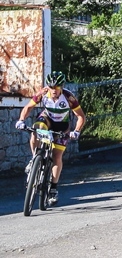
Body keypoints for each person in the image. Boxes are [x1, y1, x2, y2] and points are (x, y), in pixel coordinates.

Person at [15, 71, 86, 206]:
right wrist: (21, 120)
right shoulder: (42, 93)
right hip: (47, 119)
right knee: (35, 129)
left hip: (62, 125)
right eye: (51, 87)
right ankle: (34, 158)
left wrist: (76, 131)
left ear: (61, 86)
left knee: (57, 156)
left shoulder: (68, 97)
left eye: (56, 87)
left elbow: (81, 116)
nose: (53, 90)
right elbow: (28, 107)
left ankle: (53, 188)